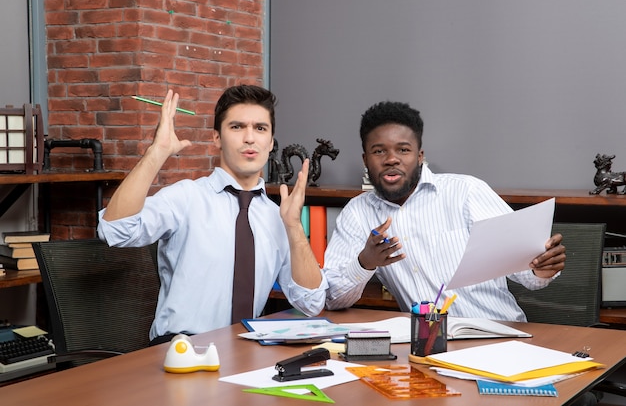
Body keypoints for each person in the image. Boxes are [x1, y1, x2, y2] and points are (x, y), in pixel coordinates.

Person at [98, 85, 327, 345]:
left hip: (245, 351)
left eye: (260, 128)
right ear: (217, 138)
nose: (250, 138)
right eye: (237, 127)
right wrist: (157, 151)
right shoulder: (186, 198)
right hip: (180, 350)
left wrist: (294, 227)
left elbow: (311, 303)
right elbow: (114, 231)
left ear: (271, 142)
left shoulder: (279, 217)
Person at [323, 100, 566, 322]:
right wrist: (365, 262)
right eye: (379, 151)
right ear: (366, 160)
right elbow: (333, 298)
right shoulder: (357, 213)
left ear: (420, 156)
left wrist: (541, 268)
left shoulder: (466, 192)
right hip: (427, 346)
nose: (391, 159)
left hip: (498, 335)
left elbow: (527, 274)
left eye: (403, 150)